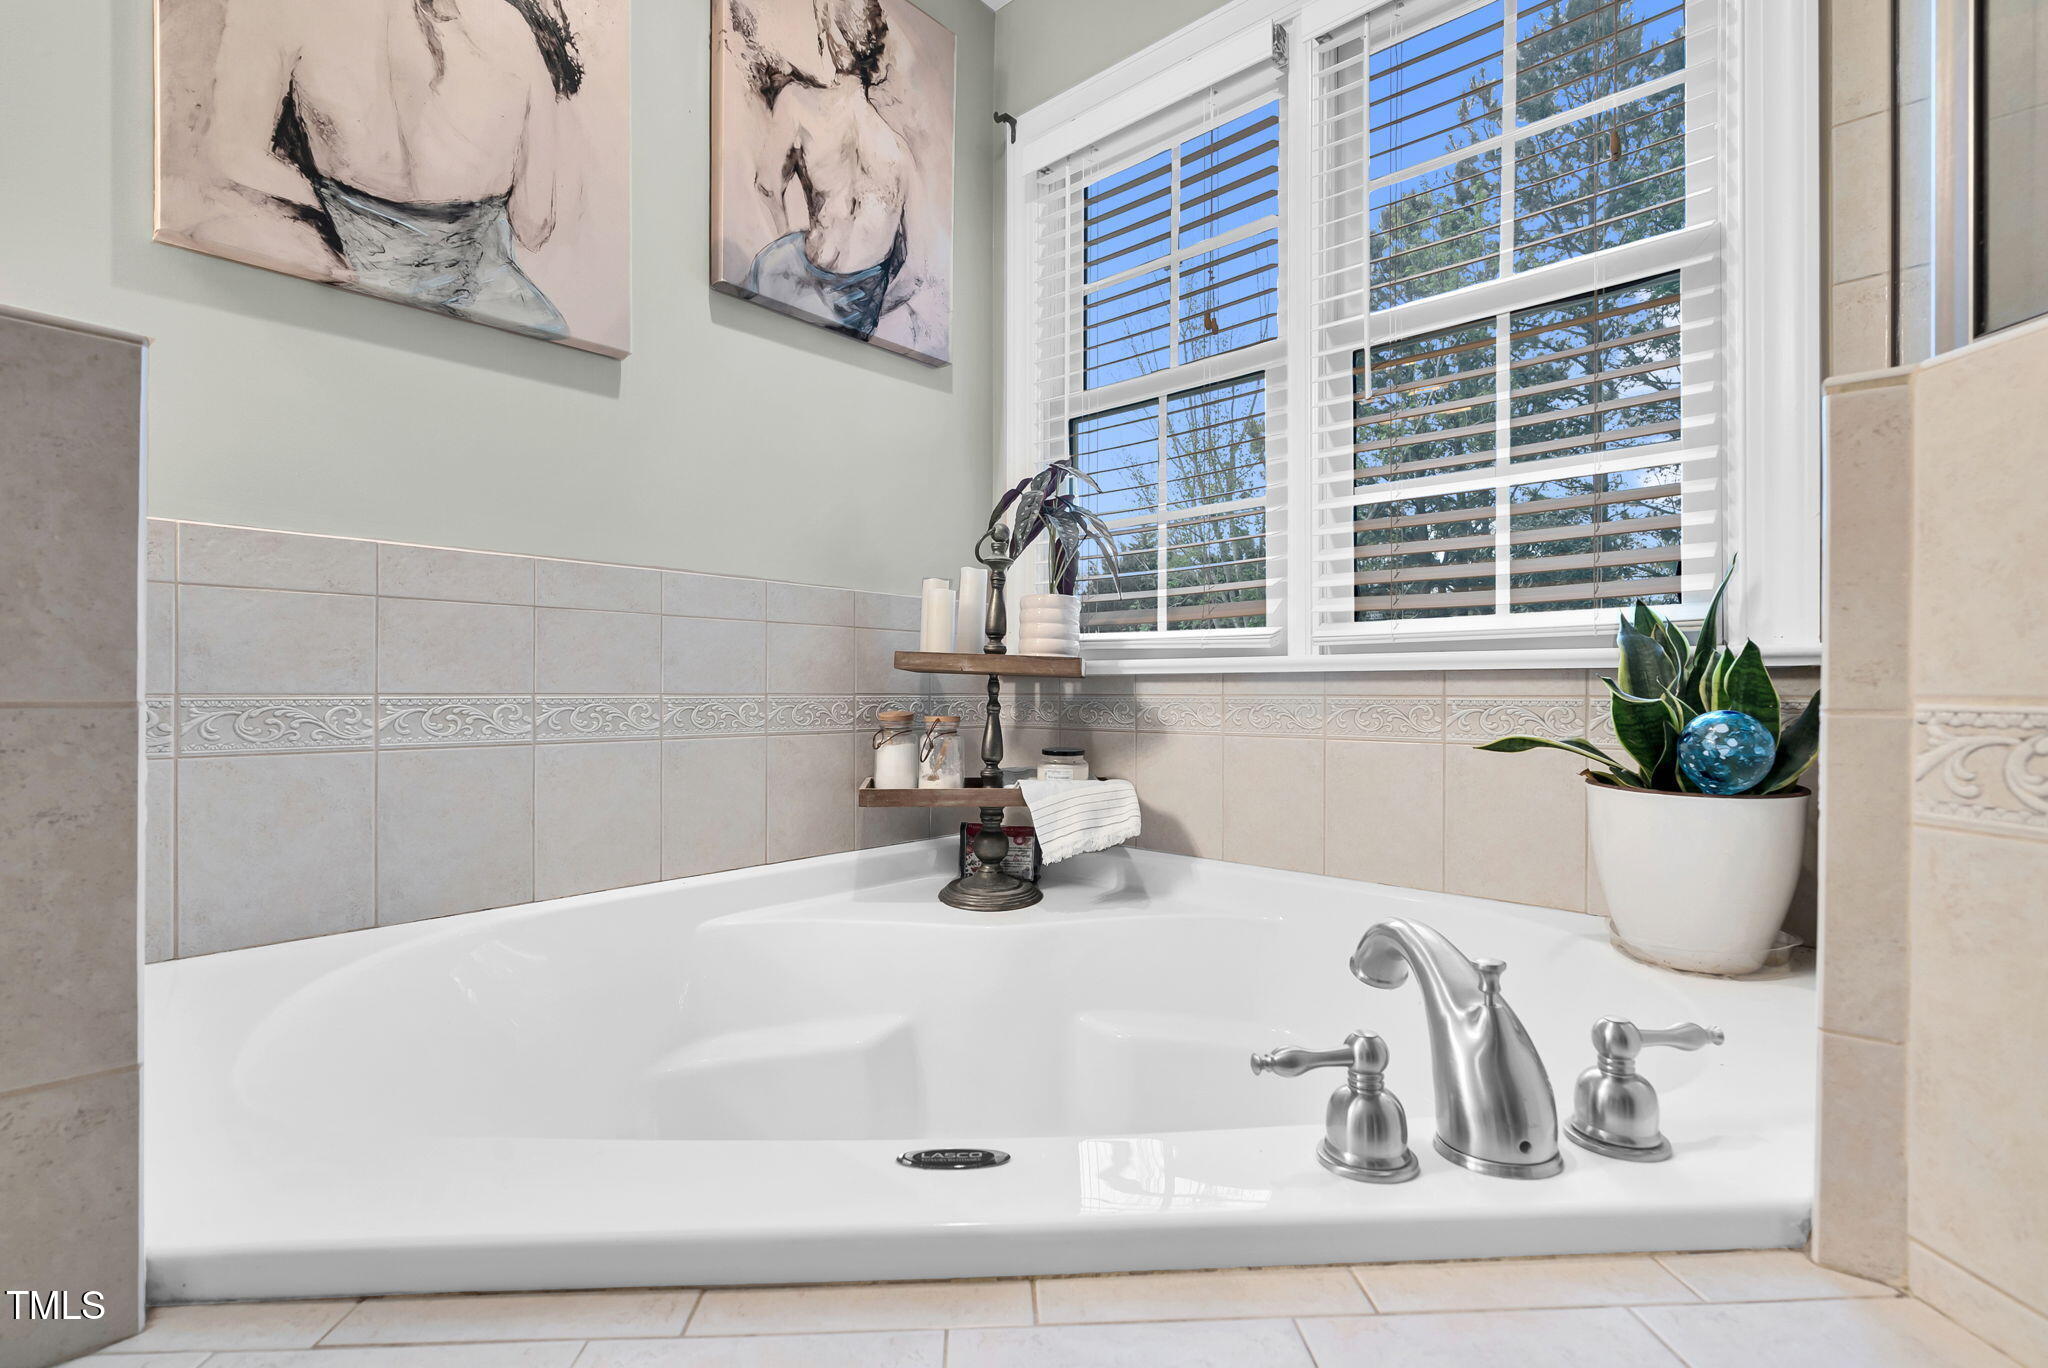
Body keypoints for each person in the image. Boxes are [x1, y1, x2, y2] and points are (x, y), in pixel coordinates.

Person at [200, 0, 582, 340]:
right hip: (486, 314)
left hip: (350, 287)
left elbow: (232, 153)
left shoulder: (285, 10)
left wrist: (334, 218)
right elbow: (535, 224)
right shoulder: (510, 27)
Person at [727, 0, 941, 347]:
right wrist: (864, 301)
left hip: (805, 278)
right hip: (857, 306)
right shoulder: (898, 151)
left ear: (832, 41)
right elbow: (912, 272)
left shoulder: (797, 102)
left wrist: (789, 246)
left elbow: (767, 187)